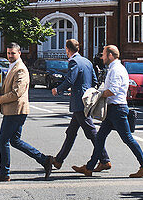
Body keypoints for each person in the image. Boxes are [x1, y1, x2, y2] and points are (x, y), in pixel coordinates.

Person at [72, 44, 143, 178]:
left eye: (103, 54)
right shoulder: (115, 68)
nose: (102, 57)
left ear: (110, 55)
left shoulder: (116, 70)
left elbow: (113, 91)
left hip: (117, 109)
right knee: (100, 138)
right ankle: (90, 167)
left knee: (127, 138)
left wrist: (98, 95)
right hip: (113, 109)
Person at [0, 42, 53, 182]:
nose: (10, 56)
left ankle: (4, 173)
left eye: (13, 53)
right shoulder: (12, 67)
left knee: (2, 140)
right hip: (13, 110)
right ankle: (44, 160)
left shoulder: (21, 69)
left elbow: (16, 93)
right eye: (8, 53)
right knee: (15, 141)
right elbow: (10, 89)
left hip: (16, 110)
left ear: (19, 53)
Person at [47, 39, 110, 172]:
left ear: (67, 50)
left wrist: (57, 90)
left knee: (91, 132)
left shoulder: (74, 62)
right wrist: (86, 91)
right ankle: (58, 160)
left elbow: (70, 79)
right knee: (71, 132)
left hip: (80, 102)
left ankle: (105, 160)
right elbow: (94, 81)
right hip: (85, 99)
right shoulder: (87, 61)